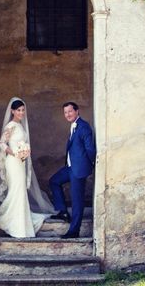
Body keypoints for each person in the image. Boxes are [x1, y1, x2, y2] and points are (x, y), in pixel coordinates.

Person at [0, 98, 55, 238]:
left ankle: (21, 222)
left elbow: (22, 143)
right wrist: (15, 153)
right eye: (18, 110)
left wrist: (24, 152)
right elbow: (2, 143)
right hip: (13, 162)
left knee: (20, 191)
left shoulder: (21, 126)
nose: (21, 112)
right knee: (17, 190)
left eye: (23, 110)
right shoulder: (11, 126)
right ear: (12, 111)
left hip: (20, 161)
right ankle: (11, 223)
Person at [49, 102, 96, 238]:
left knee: (77, 201)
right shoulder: (74, 126)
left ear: (77, 111)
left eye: (70, 111)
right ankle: (63, 211)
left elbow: (90, 149)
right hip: (70, 167)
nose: (67, 114)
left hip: (78, 169)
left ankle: (74, 231)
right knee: (54, 181)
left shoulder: (84, 127)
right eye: (65, 112)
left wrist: (89, 165)